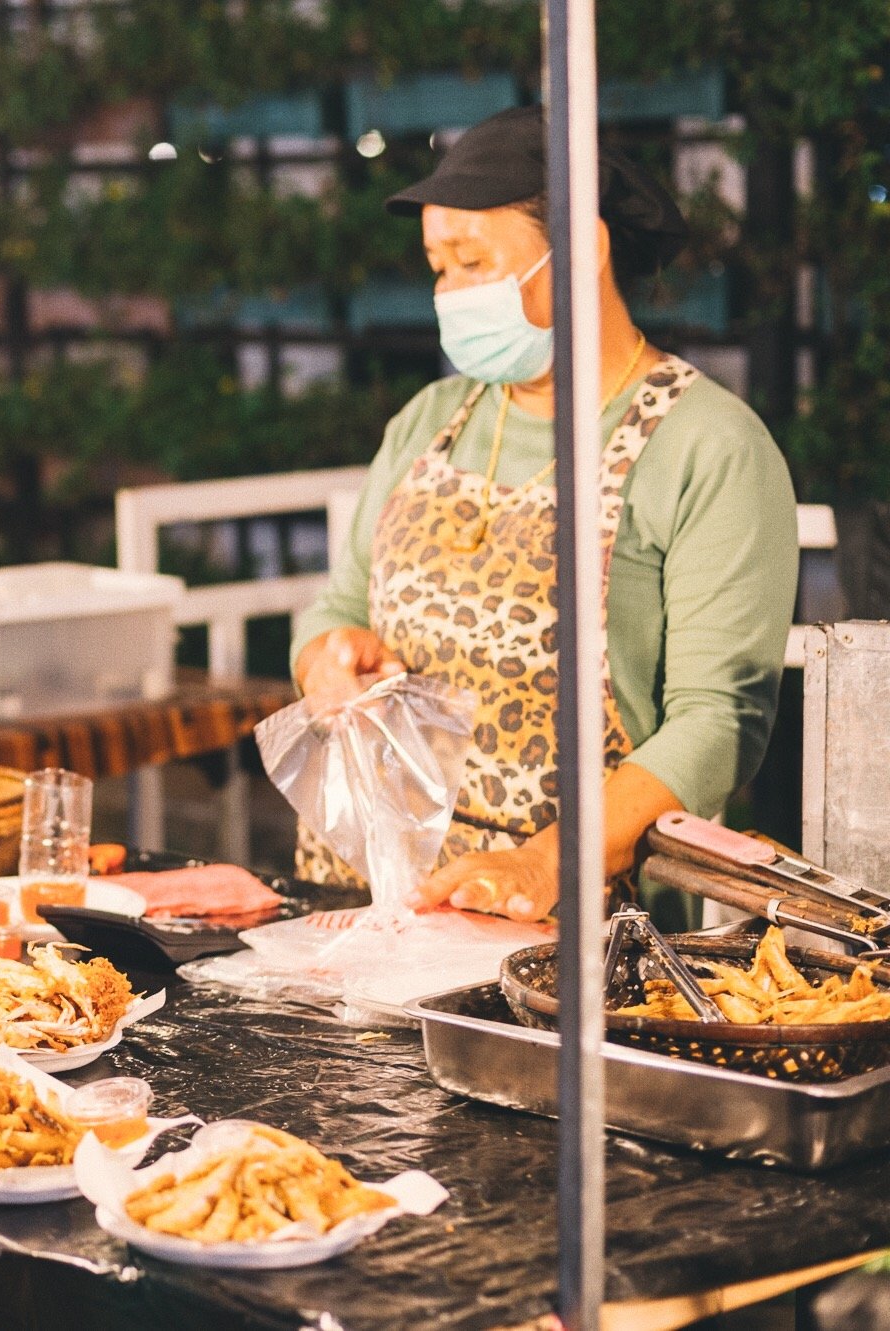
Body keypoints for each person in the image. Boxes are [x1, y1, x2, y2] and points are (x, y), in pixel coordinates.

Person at [291, 107, 797, 924]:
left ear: (583, 250)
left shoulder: (709, 447)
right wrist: (325, 660)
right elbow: (337, 605)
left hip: (577, 920)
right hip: (373, 898)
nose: (449, 293)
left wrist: (543, 861)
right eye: (437, 267)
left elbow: (720, 721)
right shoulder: (431, 420)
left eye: (472, 262)